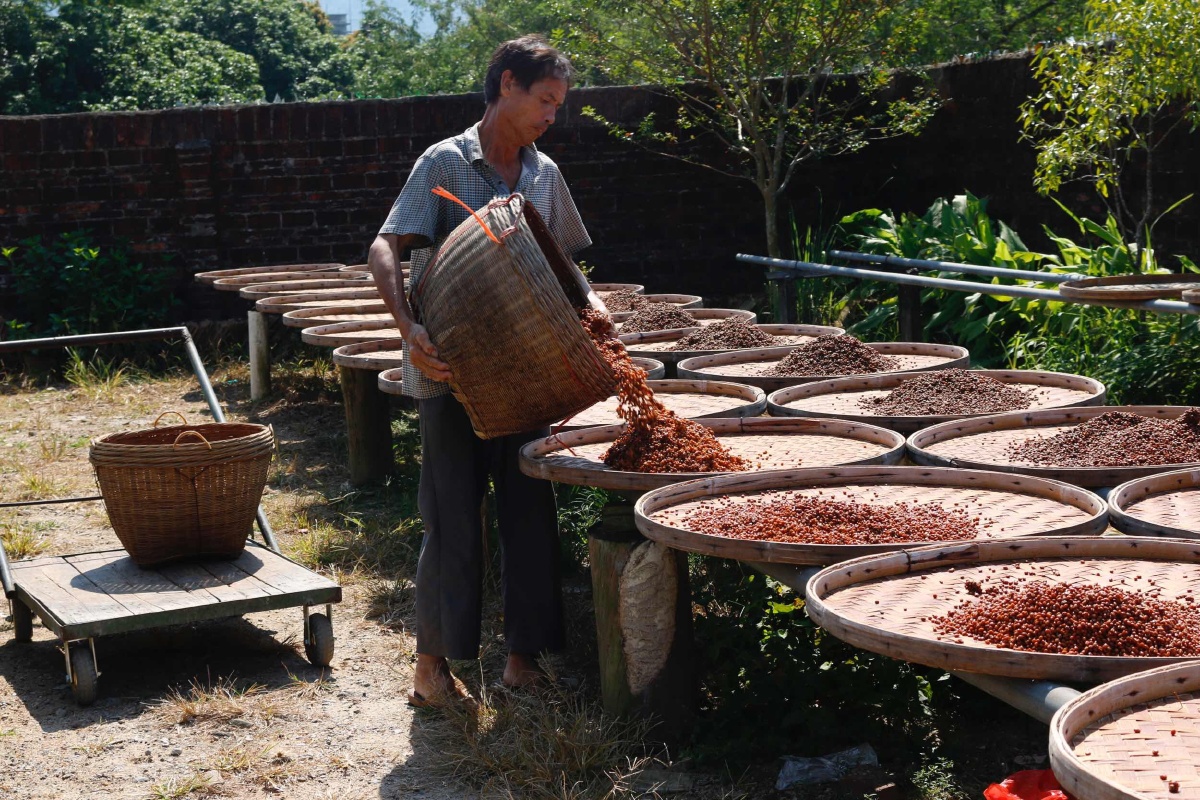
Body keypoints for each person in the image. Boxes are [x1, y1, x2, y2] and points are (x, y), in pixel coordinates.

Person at [368, 35, 602, 706]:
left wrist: (594, 307)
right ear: (506, 85)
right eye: (544, 100)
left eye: (558, 105)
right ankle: (432, 672)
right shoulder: (446, 161)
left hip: (527, 371)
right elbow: (385, 245)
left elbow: (563, 261)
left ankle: (522, 662)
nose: (551, 115)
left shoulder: (543, 174)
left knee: (530, 511)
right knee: (452, 517)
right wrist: (408, 328)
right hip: (451, 373)